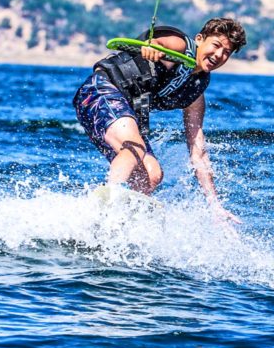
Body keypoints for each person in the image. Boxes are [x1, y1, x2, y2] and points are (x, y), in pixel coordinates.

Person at [73, 17, 246, 222]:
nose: (219, 55)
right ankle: (109, 198)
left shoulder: (196, 91)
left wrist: (214, 205)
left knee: (152, 175)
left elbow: (198, 152)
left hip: (128, 109)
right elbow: (158, 42)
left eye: (226, 52)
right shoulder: (182, 45)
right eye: (216, 45)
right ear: (200, 39)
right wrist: (152, 48)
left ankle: (120, 226)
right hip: (101, 90)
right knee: (134, 147)